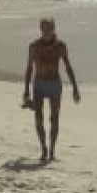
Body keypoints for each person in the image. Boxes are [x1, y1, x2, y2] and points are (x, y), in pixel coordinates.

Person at [22, 18, 80, 163]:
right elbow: (29, 68)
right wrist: (26, 90)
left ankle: (52, 151)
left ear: (53, 28)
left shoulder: (60, 46)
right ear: (40, 29)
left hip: (54, 84)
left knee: (54, 119)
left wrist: (75, 88)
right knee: (38, 119)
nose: (46, 31)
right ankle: (43, 149)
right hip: (39, 85)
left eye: (49, 28)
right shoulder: (34, 46)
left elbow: (68, 66)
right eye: (43, 28)